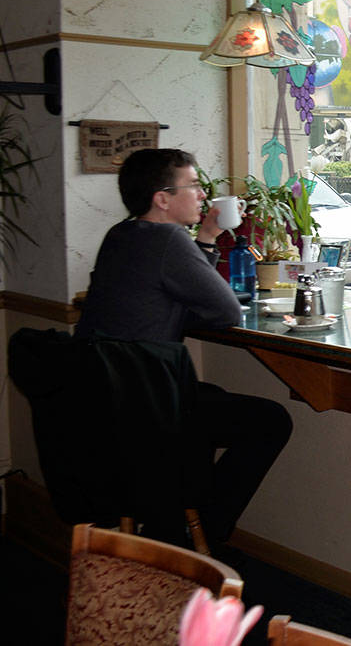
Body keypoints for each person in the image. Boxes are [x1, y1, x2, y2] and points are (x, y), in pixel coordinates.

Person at [77, 148, 292, 546]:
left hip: (106, 403)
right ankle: (200, 536)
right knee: (270, 421)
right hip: (150, 408)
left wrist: (206, 237)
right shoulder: (168, 239)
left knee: (210, 401)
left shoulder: (120, 235)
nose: (202, 195)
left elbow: (161, 300)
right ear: (162, 199)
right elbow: (226, 310)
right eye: (193, 186)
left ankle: (171, 526)